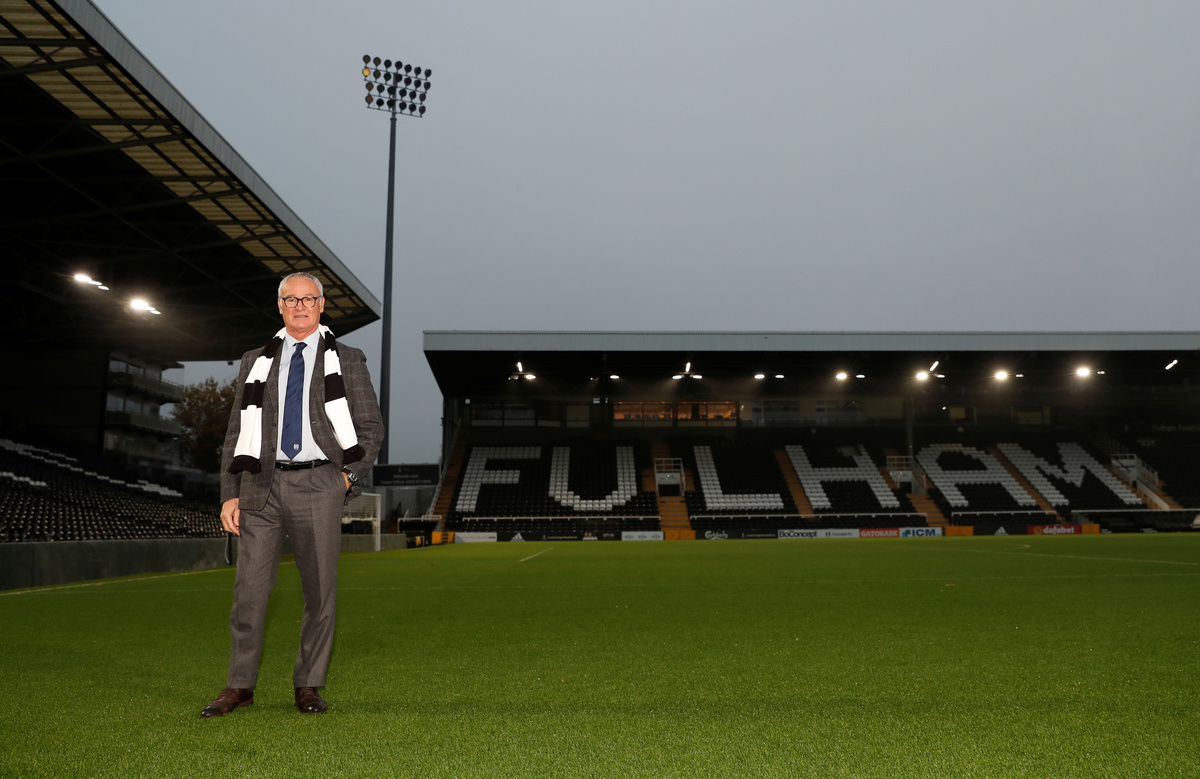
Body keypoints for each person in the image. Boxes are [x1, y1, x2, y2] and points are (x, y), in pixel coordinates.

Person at [201, 272, 383, 717]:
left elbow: (371, 428)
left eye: (308, 299)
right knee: (248, 593)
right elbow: (235, 432)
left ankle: (308, 685)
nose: (300, 306)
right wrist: (229, 493)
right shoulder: (255, 360)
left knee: (319, 593)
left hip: (320, 484)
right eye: (291, 299)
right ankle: (239, 686)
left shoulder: (348, 358)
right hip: (259, 485)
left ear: (321, 304)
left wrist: (346, 478)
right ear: (280, 306)